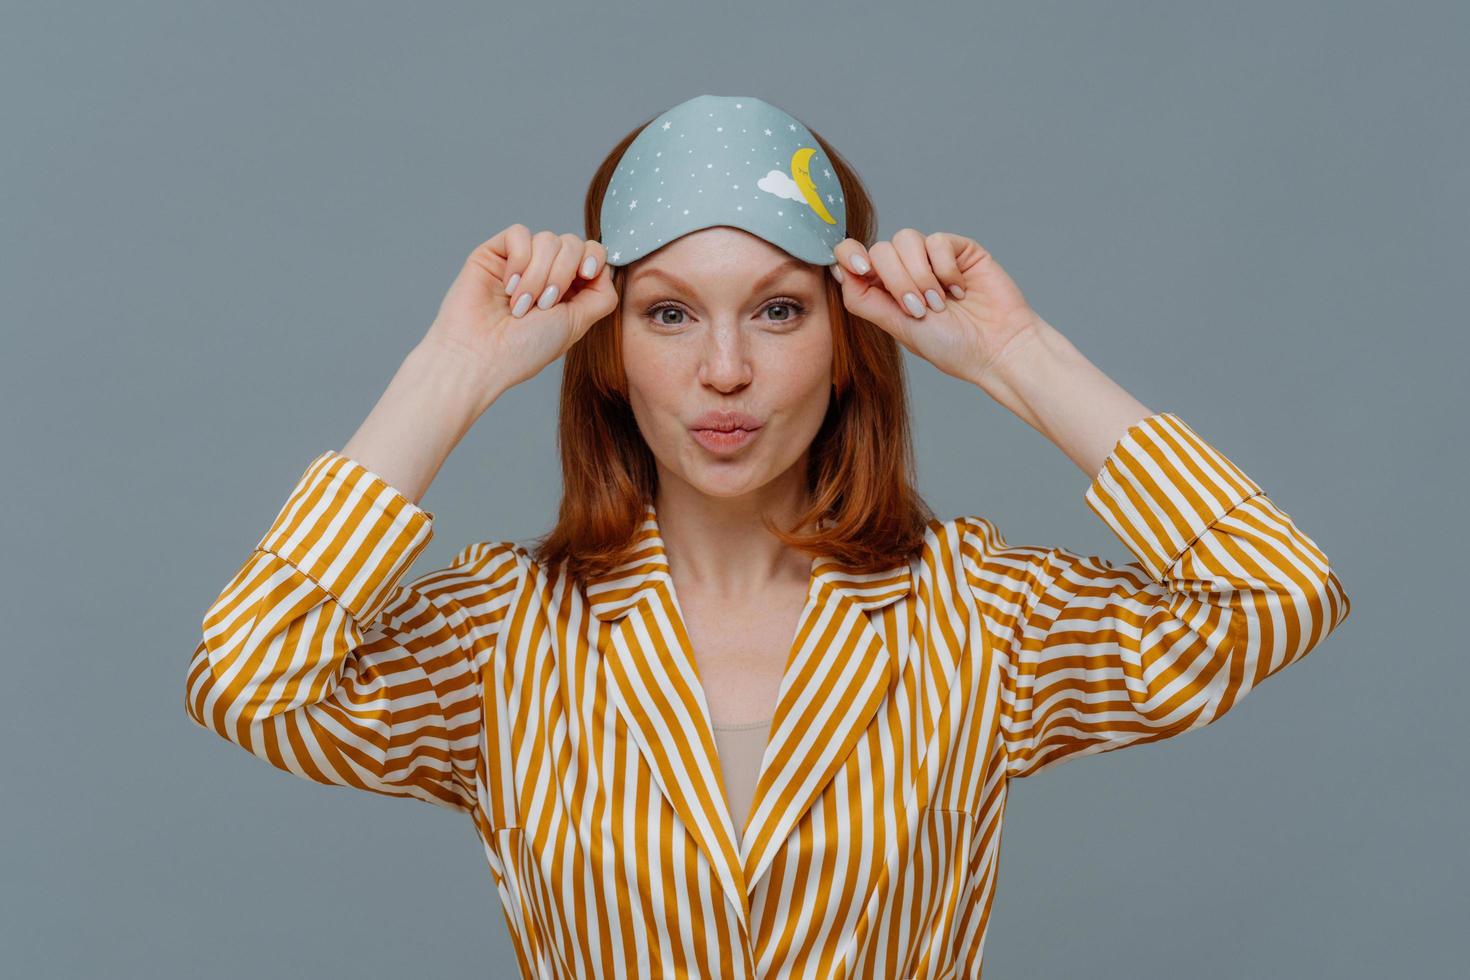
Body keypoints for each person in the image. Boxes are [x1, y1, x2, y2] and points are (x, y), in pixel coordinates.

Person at [185, 94, 1351, 978]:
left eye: (780, 309)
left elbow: (1274, 593)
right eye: (671, 313)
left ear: (847, 340)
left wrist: (1015, 355)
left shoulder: (976, 612)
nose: (726, 370)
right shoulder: (504, 633)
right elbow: (246, 679)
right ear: (612, 343)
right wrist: (451, 371)